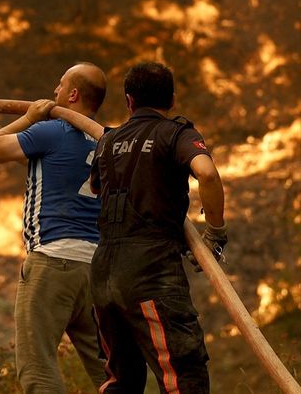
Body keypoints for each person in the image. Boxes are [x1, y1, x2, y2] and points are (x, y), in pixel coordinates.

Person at [63, 61, 227, 393]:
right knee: (183, 375)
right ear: (173, 100)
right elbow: (207, 174)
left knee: (120, 381)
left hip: (104, 275)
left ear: (128, 101)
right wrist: (216, 233)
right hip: (151, 273)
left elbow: (96, 188)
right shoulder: (176, 133)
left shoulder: (108, 143)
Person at [0, 63, 108, 393]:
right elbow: (29, 157)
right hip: (95, 271)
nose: (54, 91)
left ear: (73, 94)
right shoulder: (106, 142)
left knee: (38, 370)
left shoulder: (50, 131)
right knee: (111, 373)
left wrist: (29, 118)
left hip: (52, 263)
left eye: (60, 85)